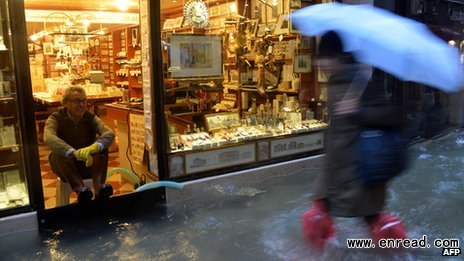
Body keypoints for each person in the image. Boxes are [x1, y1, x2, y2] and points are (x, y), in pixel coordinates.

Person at [302, 31, 407, 250]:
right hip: (336, 165)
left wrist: (359, 110)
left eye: (325, 58)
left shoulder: (361, 81)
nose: (320, 63)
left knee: (372, 218)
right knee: (319, 212)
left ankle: (403, 252)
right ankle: (325, 253)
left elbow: (392, 116)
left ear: (340, 58)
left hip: (361, 168)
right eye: (319, 58)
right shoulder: (335, 83)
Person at [44, 86, 115, 204]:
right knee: (59, 153)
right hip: (66, 168)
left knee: (102, 149)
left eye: (84, 101)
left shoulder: (90, 117)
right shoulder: (56, 118)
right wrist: (72, 152)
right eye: (76, 101)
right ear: (65, 103)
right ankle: (81, 191)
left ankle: (100, 189)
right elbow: (48, 137)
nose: (81, 105)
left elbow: (109, 133)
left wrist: (96, 146)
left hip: (87, 164)